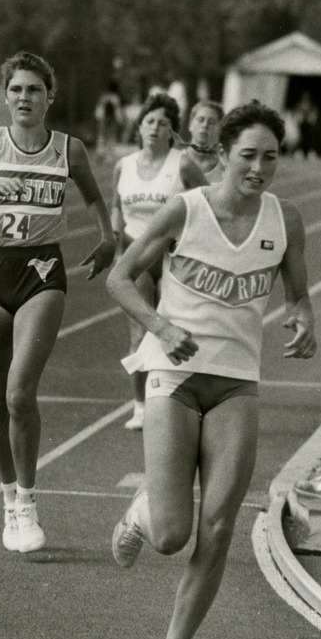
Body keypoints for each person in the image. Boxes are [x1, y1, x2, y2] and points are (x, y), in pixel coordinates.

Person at [107, 100, 317, 639]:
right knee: (173, 535)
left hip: (236, 383)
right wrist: (161, 327)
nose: (258, 168)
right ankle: (144, 514)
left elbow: (298, 296)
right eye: (247, 155)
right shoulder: (185, 210)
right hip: (174, 378)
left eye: (269, 157)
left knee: (219, 527)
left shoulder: (286, 220)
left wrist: (304, 321)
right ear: (222, 155)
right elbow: (122, 278)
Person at [0, 51, 115, 553]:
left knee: (19, 395)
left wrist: (107, 238)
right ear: (5, 95)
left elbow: (96, 198)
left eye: (34, 90)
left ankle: (29, 503)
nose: (23, 99)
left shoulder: (68, 149)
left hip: (41, 275)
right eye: (15, 90)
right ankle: (9, 501)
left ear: (49, 96)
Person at [111, 93, 208, 431]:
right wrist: (112, 231)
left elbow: (207, 201)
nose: (155, 128)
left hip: (174, 259)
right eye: (149, 121)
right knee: (139, 334)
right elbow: (115, 204)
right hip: (136, 258)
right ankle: (140, 407)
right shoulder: (124, 165)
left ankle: (184, 403)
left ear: (172, 132)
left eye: (163, 123)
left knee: (180, 331)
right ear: (139, 127)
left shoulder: (181, 165)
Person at [183, 100, 225, 182]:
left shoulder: (225, 170)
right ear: (190, 125)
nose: (205, 125)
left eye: (212, 122)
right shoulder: (173, 162)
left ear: (220, 130)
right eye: (200, 120)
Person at [94, 79, 124, 163]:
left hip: (103, 119)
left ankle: (100, 153)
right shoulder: (115, 97)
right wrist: (120, 120)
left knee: (101, 136)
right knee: (111, 137)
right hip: (112, 120)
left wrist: (98, 117)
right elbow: (117, 110)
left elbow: (99, 108)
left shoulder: (104, 96)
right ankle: (109, 157)